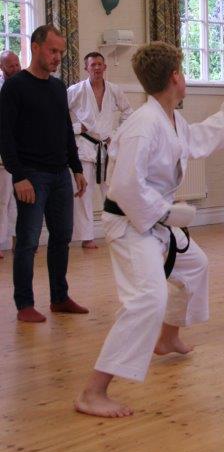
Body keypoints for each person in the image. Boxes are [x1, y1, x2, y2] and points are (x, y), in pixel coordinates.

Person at [75, 41, 224, 418]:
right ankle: (93, 391)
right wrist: (166, 213)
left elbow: (197, 140)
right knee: (148, 299)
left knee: (195, 266)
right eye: (182, 72)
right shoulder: (144, 126)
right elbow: (124, 186)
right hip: (130, 224)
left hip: (152, 221)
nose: (184, 78)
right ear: (174, 78)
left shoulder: (169, 119)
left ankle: (168, 338)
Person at [0, 24, 88, 323]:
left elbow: (65, 130)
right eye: (52, 50)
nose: (57, 57)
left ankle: (59, 297)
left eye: (61, 52)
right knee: (27, 241)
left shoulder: (58, 87)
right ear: (35, 47)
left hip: (60, 174)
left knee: (62, 237)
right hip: (31, 176)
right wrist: (18, 175)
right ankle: (24, 303)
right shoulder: (14, 87)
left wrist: (76, 168)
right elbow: (5, 136)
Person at [68, 51, 133, 249]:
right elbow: (57, 116)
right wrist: (77, 128)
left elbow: (128, 112)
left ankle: (116, 232)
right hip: (84, 147)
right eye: (92, 65)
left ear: (105, 67)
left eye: (99, 64)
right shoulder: (75, 90)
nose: (96, 68)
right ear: (86, 68)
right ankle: (86, 237)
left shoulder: (114, 90)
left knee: (112, 192)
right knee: (83, 193)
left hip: (106, 146)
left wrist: (117, 134)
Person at [0, 51, 21, 257]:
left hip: (23, 151)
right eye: (10, 66)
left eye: (17, 64)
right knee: (2, 198)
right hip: (3, 151)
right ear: (2, 67)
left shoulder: (26, 85)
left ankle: (19, 241)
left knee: (20, 200)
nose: (15, 69)